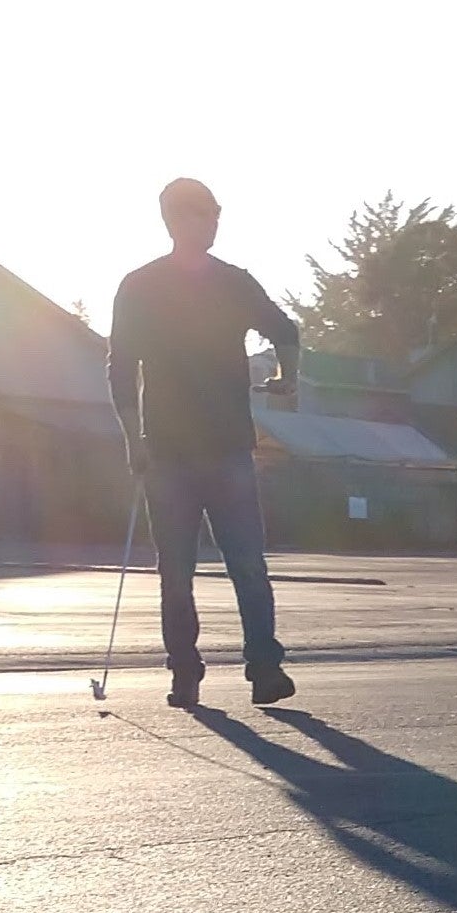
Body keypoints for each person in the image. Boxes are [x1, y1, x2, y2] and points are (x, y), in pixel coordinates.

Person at [108, 179, 300, 710]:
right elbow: (121, 367)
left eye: (215, 215)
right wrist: (133, 439)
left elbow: (284, 328)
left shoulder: (234, 283)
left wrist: (290, 374)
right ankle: (185, 672)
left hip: (226, 448)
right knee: (177, 570)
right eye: (201, 215)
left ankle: (264, 668)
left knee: (247, 564)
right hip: (169, 450)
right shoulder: (141, 286)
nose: (211, 224)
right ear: (173, 220)